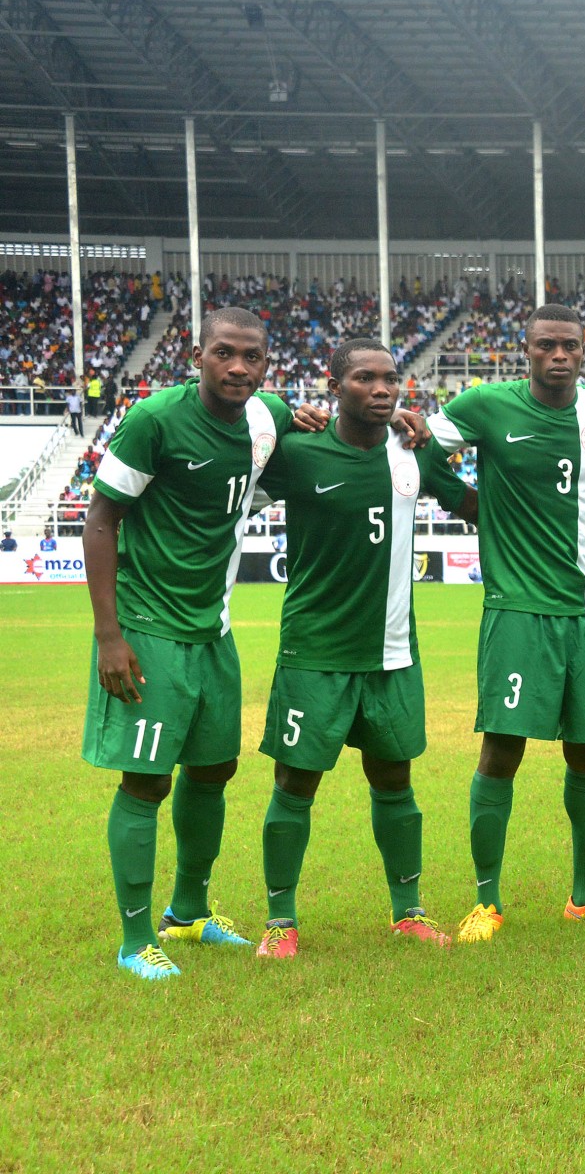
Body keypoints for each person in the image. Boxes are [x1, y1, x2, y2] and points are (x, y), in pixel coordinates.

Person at [83, 307, 294, 980]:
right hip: (149, 627)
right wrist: (109, 636)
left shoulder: (268, 417)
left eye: (252, 357)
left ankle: (189, 912)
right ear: (197, 355)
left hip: (214, 629)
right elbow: (100, 519)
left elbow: (320, 423)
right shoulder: (155, 420)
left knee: (213, 770)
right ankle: (134, 939)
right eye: (224, 353)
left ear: (266, 364)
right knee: (147, 780)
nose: (238, 367)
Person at [425, 303, 585, 942]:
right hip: (518, 610)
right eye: (546, 345)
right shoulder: (485, 405)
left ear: (584, 350)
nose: (558, 355)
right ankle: (486, 901)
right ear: (526, 350)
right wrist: (469, 502)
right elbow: (421, 452)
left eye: (569, 345)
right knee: (501, 750)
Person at [252, 339, 477, 958]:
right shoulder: (297, 452)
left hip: (392, 653)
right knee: (295, 783)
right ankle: (280, 922)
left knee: (395, 780)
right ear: (334, 387)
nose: (381, 389)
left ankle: (409, 913)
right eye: (364, 379)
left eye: (390, 379)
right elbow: (227, 491)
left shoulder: (412, 450)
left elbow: (471, 503)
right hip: (315, 651)